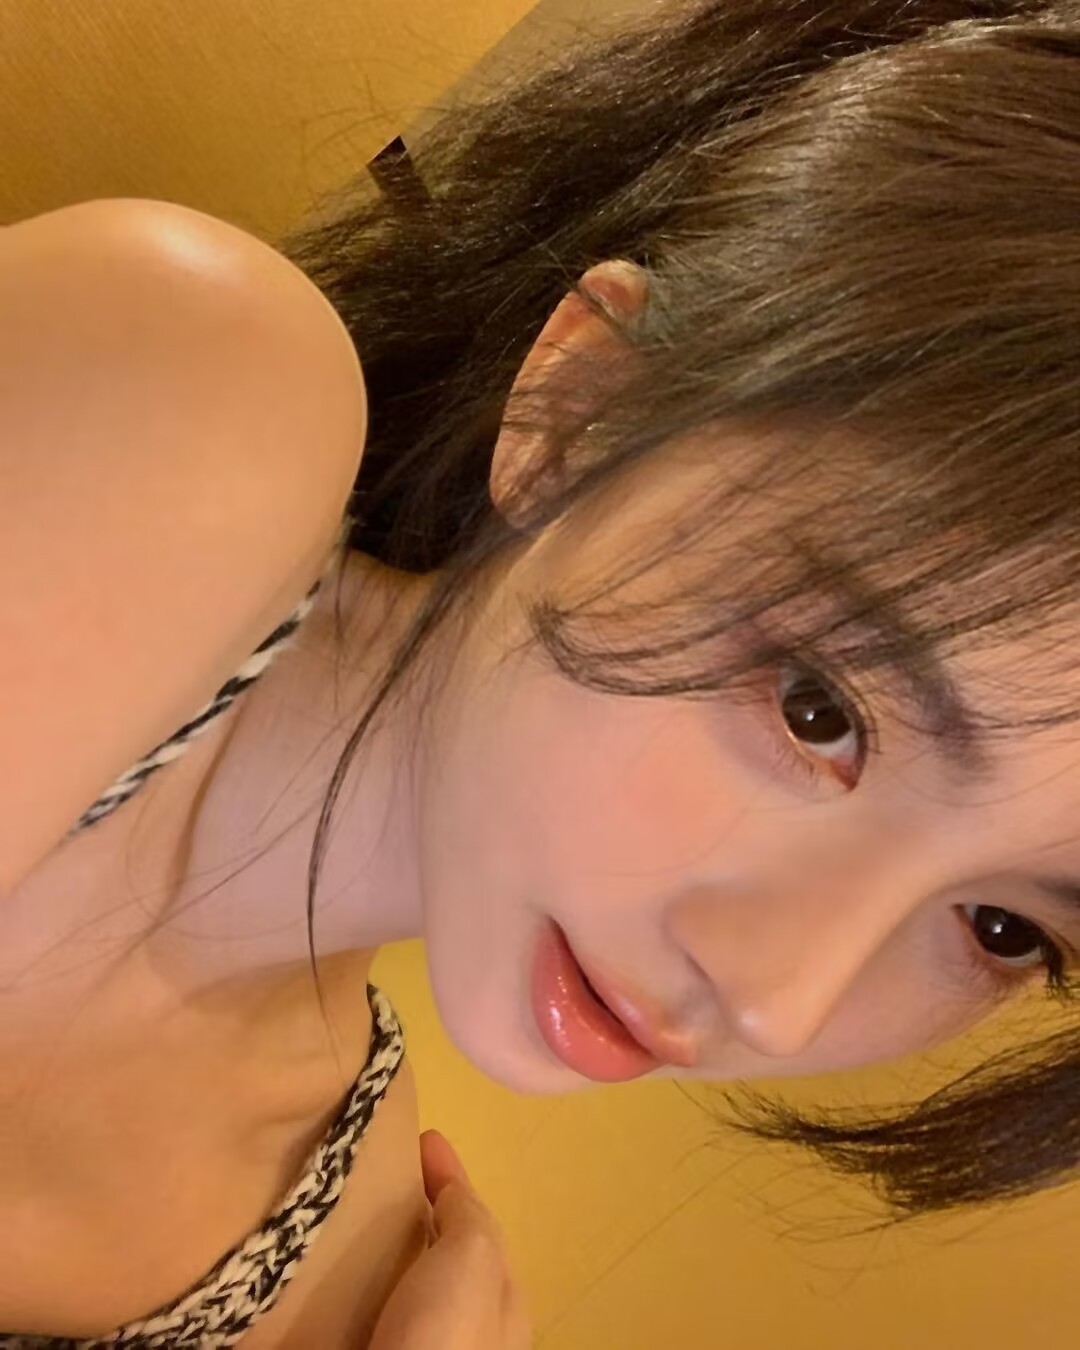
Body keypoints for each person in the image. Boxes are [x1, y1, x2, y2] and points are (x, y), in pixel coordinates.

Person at [1, 0, 1078, 1343]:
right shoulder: (195, 396)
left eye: (1002, 929)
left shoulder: (344, 1256)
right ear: (581, 413)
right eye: (820, 710)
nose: (776, 998)